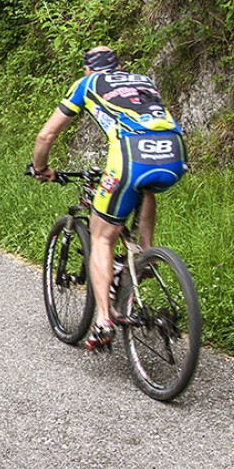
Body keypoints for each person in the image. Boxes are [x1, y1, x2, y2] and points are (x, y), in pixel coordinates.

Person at [30, 46, 186, 351]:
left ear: (88, 69)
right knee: (144, 186)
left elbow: (45, 136)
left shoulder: (87, 84)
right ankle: (145, 255)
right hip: (174, 152)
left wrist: (40, 168)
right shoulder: (142, 80)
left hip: (131, 156)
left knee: (101, 238)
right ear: (118, 67)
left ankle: (103, 321)